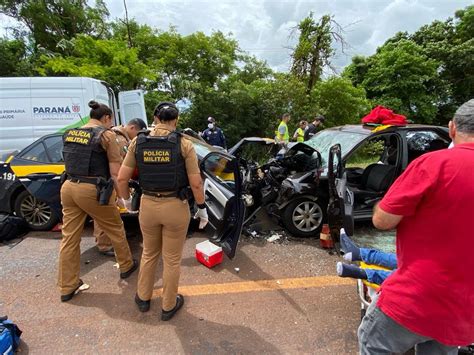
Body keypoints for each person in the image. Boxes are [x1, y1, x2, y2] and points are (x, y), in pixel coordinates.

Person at [358, 99, 474, 354]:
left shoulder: (434, 164)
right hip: (463, 310)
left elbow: (382, 220)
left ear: (452, 128)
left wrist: (381, 204)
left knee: (373, 343)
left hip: (416, 297)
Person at [117, 101, 209, 321]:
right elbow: (196, 183)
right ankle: (168, 306)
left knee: (149, 253)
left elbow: (122, 178)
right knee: (172, 259)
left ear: (155, 118)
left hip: (148, 205)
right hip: (175, 207)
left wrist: (128, 202)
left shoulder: (138, 141)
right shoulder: (184, 144)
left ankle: (143, 298)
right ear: (175, 121)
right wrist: (202, 208)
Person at [58, 101, 138, 302]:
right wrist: (123, 198)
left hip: (68, 188)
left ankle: (68, 286)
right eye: (110, 121)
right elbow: (115, 172)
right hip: (92, 189)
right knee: (115, 228)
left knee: (69, 238)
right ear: (106, 118)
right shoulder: (106, 135)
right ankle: (127, 266)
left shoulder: (70, 133)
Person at [94, 118, 147, 256]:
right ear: (133, 128)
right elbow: (122, 162)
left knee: (112, 212)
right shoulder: (118, 138)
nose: (137, 138)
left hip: (110, 179)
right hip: (109, 180)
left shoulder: (117, 135)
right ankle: (104, 244)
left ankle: (115, 237)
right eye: (138, 134)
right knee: (104, 214)